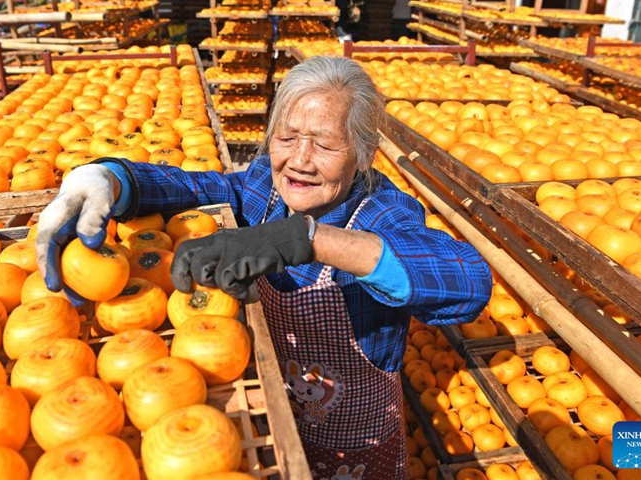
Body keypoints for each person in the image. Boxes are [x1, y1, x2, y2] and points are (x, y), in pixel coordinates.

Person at [37, 55, 491, 479]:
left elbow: (468, 279)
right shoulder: (264, 188)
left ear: (363, 152)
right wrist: (114, 180)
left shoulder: (381, 211)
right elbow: (194, 186)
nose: (300, 160)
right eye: (287, 137)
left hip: (352, 442)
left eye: (326, 145)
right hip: (265, 422)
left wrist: (311, 240)